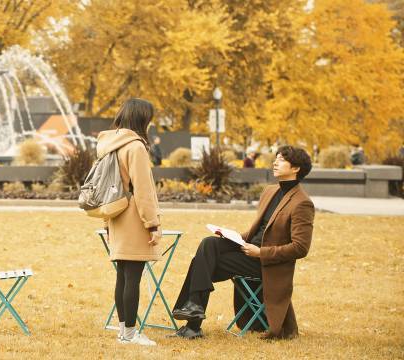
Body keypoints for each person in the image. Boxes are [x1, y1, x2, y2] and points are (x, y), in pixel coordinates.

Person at [168, 145, 314, 340]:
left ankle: (193, 324)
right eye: (276, 158)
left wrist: (260, 252)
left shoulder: (302, 203)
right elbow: (260, 230)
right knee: (209, 243)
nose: (275, 162)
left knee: (201, 263)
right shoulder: (270, 191)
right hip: (248, 249)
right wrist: (232, 236)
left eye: (281, 160)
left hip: (266, 264)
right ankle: (194, 309)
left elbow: (300, 247)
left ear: (295, 168)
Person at [97, 98, 162, 346]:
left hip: (115, 214)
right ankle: (131, 334)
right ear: (142, 119)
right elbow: (143, 190)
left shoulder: (109, 145)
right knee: (133, 276)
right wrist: (152, 224)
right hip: (134, 216)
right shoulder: (135, 147)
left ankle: (124, 331)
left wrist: (106, 222)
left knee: (123, 276)